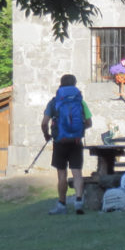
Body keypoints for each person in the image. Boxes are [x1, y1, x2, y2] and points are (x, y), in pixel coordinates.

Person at [41, 74, 93, 214]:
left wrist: (47, 135)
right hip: (76, 142)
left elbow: (44, 123)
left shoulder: (54, 102)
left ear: (60, 84)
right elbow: (89, 123)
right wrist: (78, 130)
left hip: (60, 142)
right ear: (75, 84)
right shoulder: (80, 102)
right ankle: (78, 201)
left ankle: (62, 204)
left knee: (62, 174)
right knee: (77, 173)